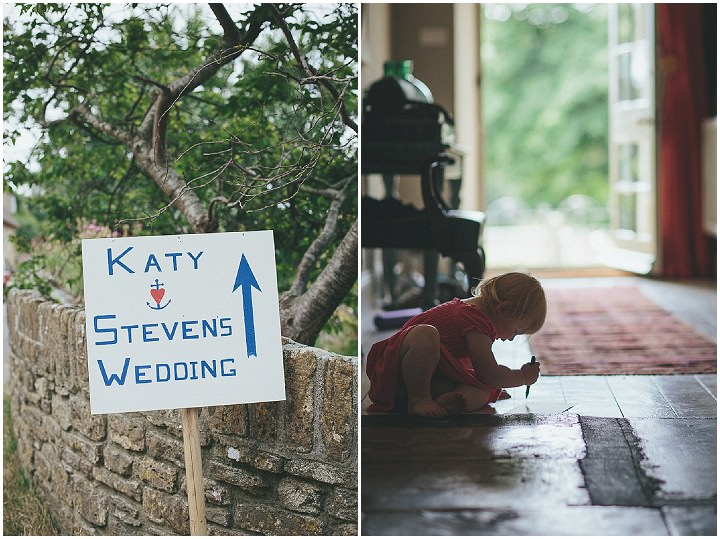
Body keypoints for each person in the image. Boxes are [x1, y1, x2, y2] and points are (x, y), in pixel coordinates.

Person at [365, 272, 547, 417]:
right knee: (425, 334)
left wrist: (493, 388)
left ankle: (448, 403)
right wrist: (522, 377)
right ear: (503, 309)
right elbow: (489, 373)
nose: (511, 339)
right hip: (396, 375)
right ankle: (419, 399)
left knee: (483, 392)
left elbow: (484, 377)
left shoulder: (478, 319)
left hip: (427, 382)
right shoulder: (474, 319)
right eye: (516, 331)